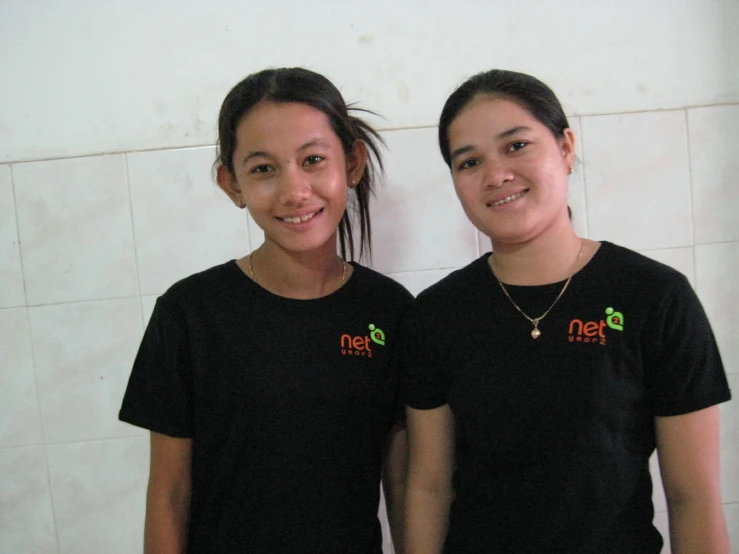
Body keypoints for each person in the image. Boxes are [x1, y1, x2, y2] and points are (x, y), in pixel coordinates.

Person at [401, 69, 732, 553]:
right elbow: (429, 485)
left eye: (516, 146)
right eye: (469, 161)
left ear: (565, 147)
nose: (496, 175)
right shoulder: (436, 315)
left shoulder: (655, 297)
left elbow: (693, 498)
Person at [119, 67, 412, 554]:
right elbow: (169, 494)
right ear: (230, 183)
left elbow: (402, 485)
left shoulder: (389, 312)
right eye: (263, 169)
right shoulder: (190, 314)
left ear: (353, 162)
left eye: (313, 159)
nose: (294, 191)